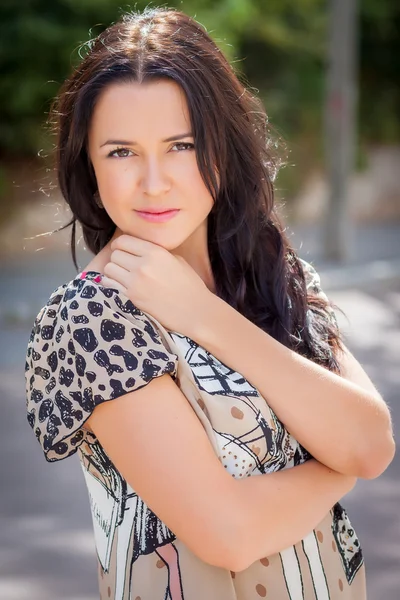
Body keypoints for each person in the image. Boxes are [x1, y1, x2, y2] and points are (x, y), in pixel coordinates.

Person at [25, 7, 395, 600]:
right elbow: (230, 534)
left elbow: (372, 439)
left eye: (181, 145)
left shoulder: (273, 269)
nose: (154, 181)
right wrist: (337, 466)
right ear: (88, 166)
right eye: (121, 151)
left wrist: (202, 314)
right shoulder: (92, 319)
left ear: (222, 147)